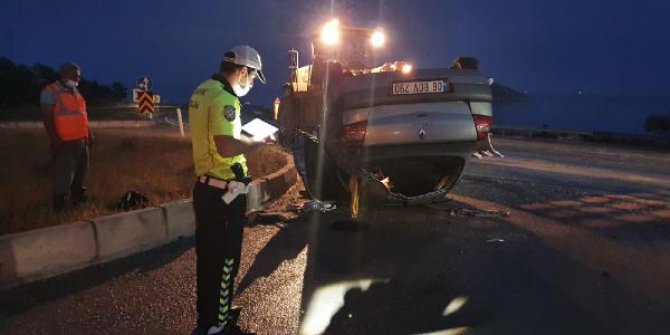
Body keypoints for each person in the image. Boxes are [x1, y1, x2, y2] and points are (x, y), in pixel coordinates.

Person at [189, 45, 268, 335]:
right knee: (225, 262)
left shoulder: (202, 90)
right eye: (251, 77)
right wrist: (255, 141)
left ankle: (211, 315)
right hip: (224, 191)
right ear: (244, 71)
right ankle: (217, 327)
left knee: (208, 259)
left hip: (206, 188)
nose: (250, 83)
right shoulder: (225, 99)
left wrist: (240, 136)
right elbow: (226, 147)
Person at [41, 62, 93, 212]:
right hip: (65, 141)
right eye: (74, 75)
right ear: (63, 74)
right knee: (63, 173)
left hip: (81, 140)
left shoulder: (75, 91)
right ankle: (60, 203)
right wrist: (54, 138)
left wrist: (89, 134)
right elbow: (47, 118)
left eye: (78, 75)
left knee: (80, 171)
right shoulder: (50, 91)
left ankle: (78, 198)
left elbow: (82, 115)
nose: (78, 78)